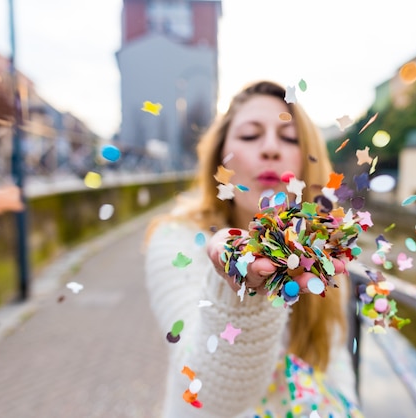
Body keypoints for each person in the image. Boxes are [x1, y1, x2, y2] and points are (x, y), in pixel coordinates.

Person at [144, 80, 363, 417]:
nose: (271, 149)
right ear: (220, 157)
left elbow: (336, 371)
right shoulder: (176, 240)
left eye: (289, 138)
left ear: (306, 160)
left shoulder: (323, 253)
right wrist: (239, 297)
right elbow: (207, 394)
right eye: (250, 135)